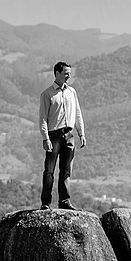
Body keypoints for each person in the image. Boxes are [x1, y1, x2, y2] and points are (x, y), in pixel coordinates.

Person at [38, 61, 86, 210]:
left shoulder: (72, 92)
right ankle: (46, 203)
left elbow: (77, 113)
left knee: (66, 171)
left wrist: (81, 133)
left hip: (69, 135)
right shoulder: (47, 94)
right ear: (57, 73)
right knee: (49, 171)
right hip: (53, 135)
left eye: (69, 74)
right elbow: (43, 118)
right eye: (66, 73)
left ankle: (64, 202)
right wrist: (45, 137)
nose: (68, 76)